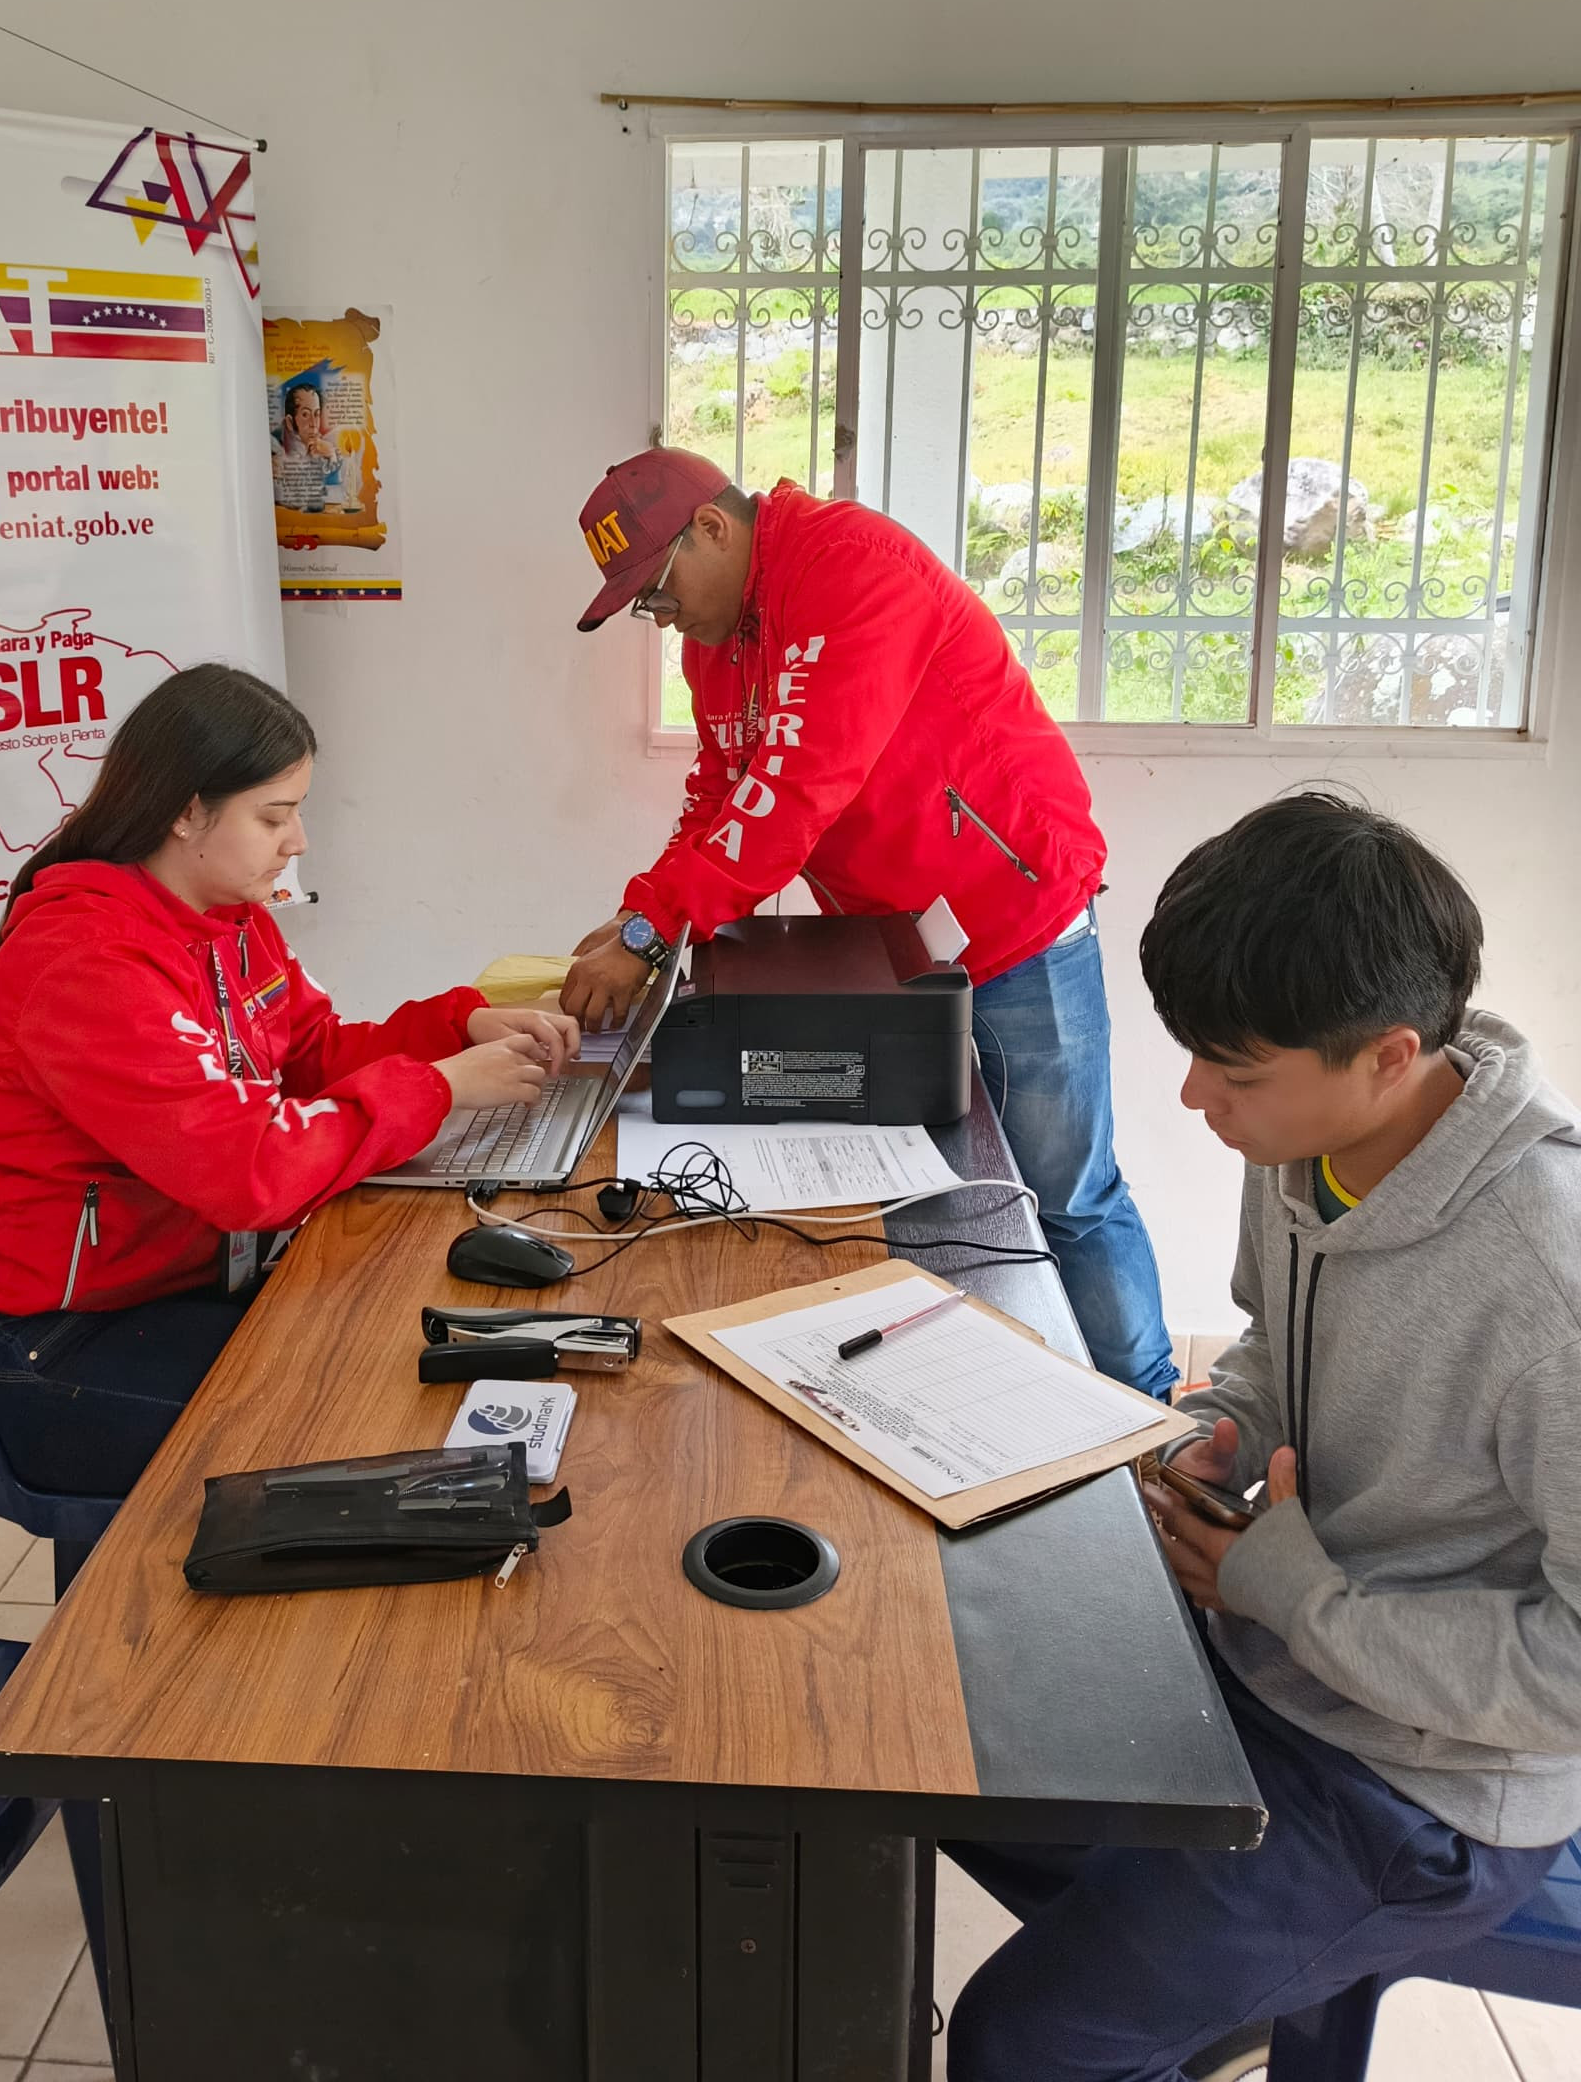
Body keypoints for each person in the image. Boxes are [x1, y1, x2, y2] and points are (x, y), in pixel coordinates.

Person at [942, 793, 1581, 2082]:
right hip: (1276, 1652)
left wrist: (1293, 1593)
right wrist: (1218, 1430)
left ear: (1392, 1054)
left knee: (1025, 2045)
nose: (1193, 1100)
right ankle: (1189, 1995)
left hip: (1423, 1788)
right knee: (936, 1742)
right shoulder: (1311, 1141)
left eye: (1232, 1075)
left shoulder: (1547, 1291)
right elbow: (1272, 1349)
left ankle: (1168, 1999)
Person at [563, 447, 1175, 1398]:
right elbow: (722, 789)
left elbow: (789, 796)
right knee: (947, 1207)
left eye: (658, 586)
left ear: (714, 529)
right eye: (644, 602)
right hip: (897, 945)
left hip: (1016, 920)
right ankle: (1004, 1407)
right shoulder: (717, 640)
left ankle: (1149, 1420)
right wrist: (639, 915)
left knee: (1066, 1200)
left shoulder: (854, 571)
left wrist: (650, 931)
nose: (662, 614)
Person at [0, 662, 575, 1499]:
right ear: (185, 812)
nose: (297, 841)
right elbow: (250, 1172)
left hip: (178, 1282)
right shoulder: (85, 963)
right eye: (275, 816)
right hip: (55, 1349)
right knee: (386, 1428)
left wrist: (458, 1024)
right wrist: (442, 1087)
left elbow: (310, 1050)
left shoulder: (228, 920)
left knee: (408, 1348)